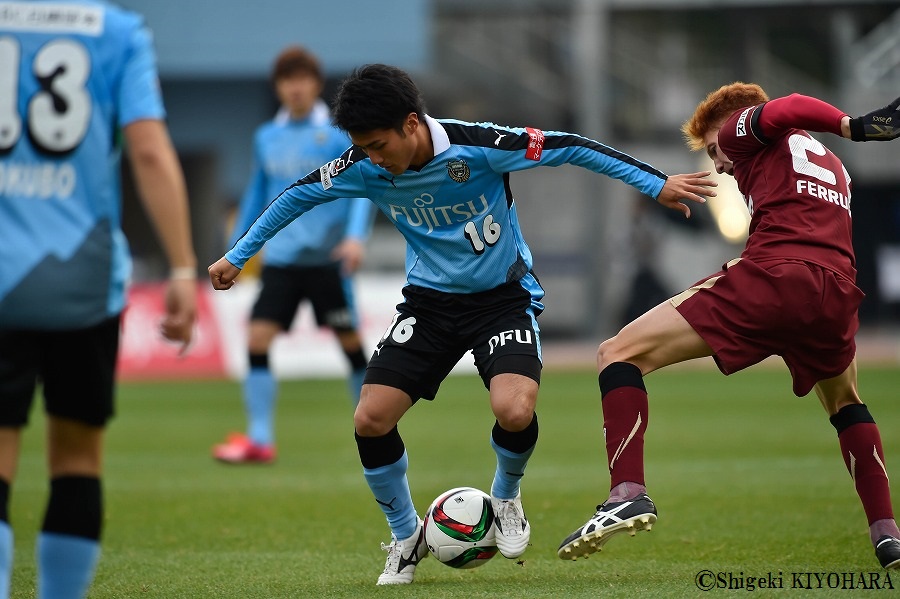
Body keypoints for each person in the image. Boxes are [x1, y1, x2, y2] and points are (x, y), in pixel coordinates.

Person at [208, 63, 714, 585]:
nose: (373, 159)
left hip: (502, 299)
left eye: (379, 144)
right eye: (363, 148)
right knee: (370, 418)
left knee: (514, 408)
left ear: (411, 123)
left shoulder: (480, 145)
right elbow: (294, 195)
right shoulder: (361, 166)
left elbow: (570, 144)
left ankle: (506, 498)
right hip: (428, 305)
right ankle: (406, 537)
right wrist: (238, 255)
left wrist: (654, 183)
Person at [557, 83, 900, 571]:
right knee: (847, 405)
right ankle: (887, 533)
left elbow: (789, 106)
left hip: (775, 275)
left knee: (617, 352)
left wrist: (857, 126)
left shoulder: (744, 131)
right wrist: (841, 137)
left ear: (732, 126)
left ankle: (626, 492)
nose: (719, 163)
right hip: (838, 292)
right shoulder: (830, 164)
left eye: (714, 149)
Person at [0, 1, 198, 597]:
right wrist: (183, 266)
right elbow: (147, 150)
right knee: (77, 460)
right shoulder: (117, 32)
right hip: (81, 280)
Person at [212, 46, 375, 465]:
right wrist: (237, 250)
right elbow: (257, 195)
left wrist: (355, 237)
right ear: (278, 87)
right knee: (258, 338)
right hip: (281, 261)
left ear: (316, 85)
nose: (295, 87)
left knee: (351, 342)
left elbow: (364, 187)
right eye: (288, 80)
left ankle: (374, 425)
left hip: (327, 261)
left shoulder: (340, 134)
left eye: (302, 79)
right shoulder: (266, 137)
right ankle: (261, 439)